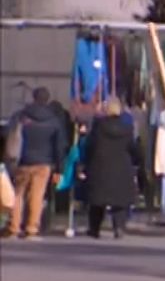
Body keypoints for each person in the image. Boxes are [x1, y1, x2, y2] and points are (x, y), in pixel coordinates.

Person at [2, 87, 67, 239]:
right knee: (37, 196)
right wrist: (60, 168)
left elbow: (7, 134)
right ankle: (31, 228)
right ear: (47, 100)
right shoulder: (54, 120)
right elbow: (60, 145)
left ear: (33, 97)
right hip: (44, 163)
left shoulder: (21, 116)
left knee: (18, 194)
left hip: (22, 161)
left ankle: (13, 227)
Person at [82, 98, 142, 239]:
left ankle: (94, 228)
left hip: (100, 166)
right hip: (122, 167)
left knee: (97, 201)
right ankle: (119, 227)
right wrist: (136, 161)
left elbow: (89, 146)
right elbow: (134, 148)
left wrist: (86, 163)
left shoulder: (98, 127)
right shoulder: (127, 129)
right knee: (120, 201)